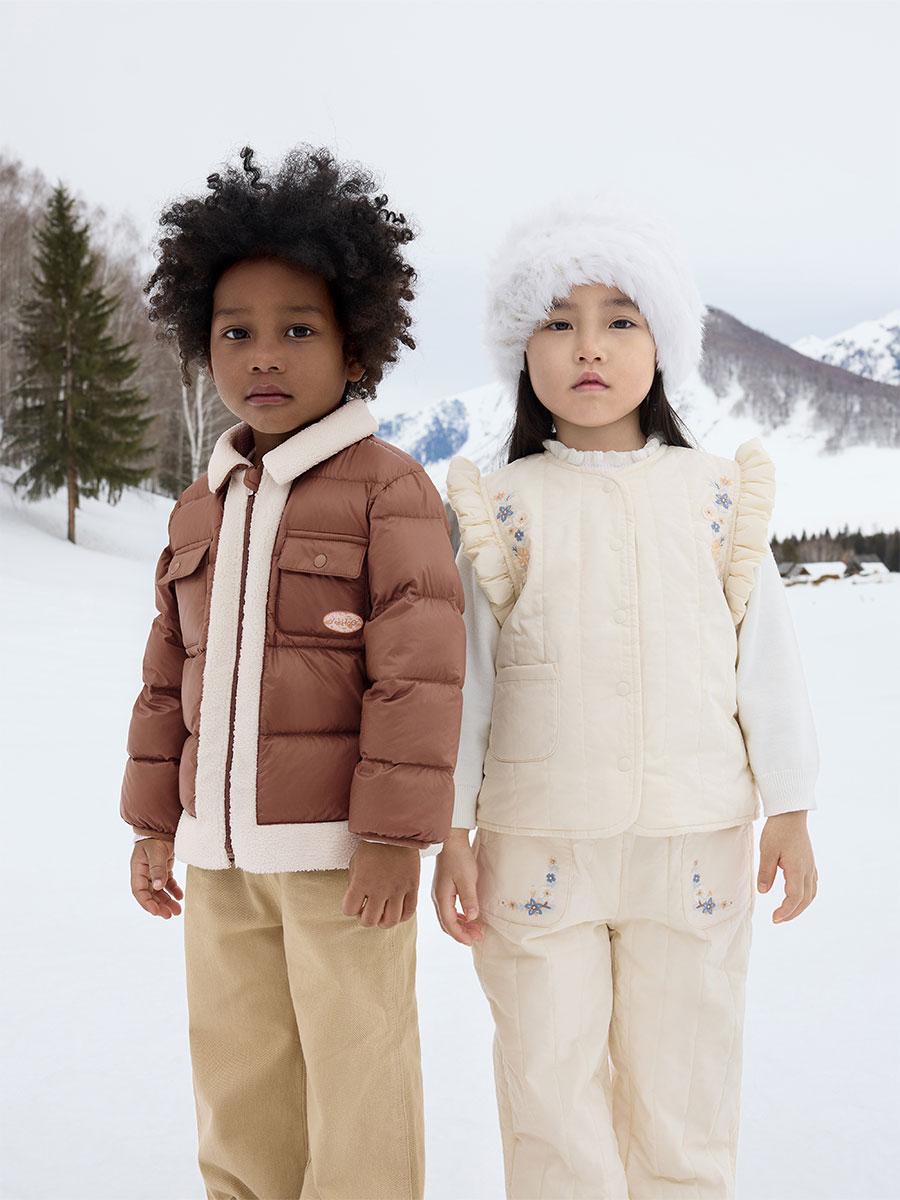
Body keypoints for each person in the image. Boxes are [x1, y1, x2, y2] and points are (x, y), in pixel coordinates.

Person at [433, 198, 819, 1200]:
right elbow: (468, 683)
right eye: (558, 321)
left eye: (620, 319)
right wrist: (452, 829)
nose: (588, 346)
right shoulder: (504, 508)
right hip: (537, 852)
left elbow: (766, 664)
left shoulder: (718, 499)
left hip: (694, 849)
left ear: (664, 344)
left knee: (686, 1094)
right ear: (522, 351)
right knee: (550, 1092)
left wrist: (790, 806)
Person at [121, 146, 465, 1200]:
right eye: (236, 332)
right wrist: (154, 824)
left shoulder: (389, 491)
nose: (263, 356)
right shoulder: (201, 502)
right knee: (239, 1078)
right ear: (202, 344)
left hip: (339, 863)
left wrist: (394, 839)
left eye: (298, 330)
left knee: (359, 1078)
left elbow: (418, 676)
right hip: (220, 857)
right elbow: (168, 677)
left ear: (356, 342)